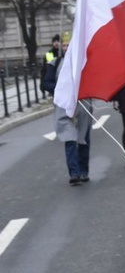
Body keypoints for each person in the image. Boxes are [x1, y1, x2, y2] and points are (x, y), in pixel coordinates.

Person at [45, 33, 93, 186]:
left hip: (83, 103)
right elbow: (45, 84)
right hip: (64, 105)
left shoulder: (84, 62)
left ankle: (84, 170)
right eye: (64, 46)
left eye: (68, 45)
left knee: (83, 138)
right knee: (69, 137)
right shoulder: (55, 62)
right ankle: (74, 173)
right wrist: (62, 90)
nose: (66, 48)